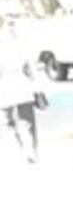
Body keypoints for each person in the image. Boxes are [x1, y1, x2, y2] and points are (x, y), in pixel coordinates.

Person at [1, 22, 41, 164]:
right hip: (22, 87)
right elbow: (32, 68)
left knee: (8, 123)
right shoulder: (21, 44)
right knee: (27, 123)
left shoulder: (19, 43)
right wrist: (37, 88)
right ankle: (31, 153)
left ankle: (21, 153)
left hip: (5, 88)